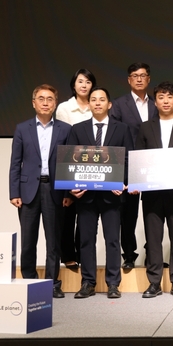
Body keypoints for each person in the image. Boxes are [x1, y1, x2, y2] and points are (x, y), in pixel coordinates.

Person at [67, 88, 134, 299]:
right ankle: (88, 282)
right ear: (89, 104)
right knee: (86, 240)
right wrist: (72, 187)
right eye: (93, 100)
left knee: (113, 240)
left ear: (109, 104)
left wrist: (122, 181)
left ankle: (113, 283)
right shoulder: (77, 129)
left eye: (102, 99)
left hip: (112, 195)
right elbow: (69, 160)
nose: (97, 103)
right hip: (85, 196)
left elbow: (128, 159)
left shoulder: (122, 129)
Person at [135, 82, 173, 299]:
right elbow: (139, 158)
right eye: (161, 97)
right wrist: (136, 182)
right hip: (152, 193)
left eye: (170, 97)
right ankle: (154, 282)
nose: (165, 101)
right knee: (153, 238)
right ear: (155, 102)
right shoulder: (145, 127)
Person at [9, 84, 71, 299]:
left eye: (50, 99)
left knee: (53, 242)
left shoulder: (65, 129)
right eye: (41, 99)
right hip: (28, 191)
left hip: (55, 190)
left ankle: (52, 284)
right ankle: (30, 282)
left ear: (55, 103)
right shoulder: (22, 128)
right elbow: (15, 163)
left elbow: (68, 165)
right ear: (33, 102)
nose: (45, 103)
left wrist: (68, 194)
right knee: (28, 242)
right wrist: (14, 192)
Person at [110, 62, 156, 269]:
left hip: (153, 166)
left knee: (153, 212)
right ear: (129, 80)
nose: (139, 79)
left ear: (149, 79)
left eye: (143, 75)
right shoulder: (119, 105)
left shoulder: (157, 104)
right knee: (128, 214)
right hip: (128, 166)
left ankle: (152, 254)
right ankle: (129, 255)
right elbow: (114, 136)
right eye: (135, 76)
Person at [56, 68, 97, 271]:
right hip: (71, 165)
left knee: (87, 215)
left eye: (88, 82)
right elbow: (63, 141)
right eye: (80, 81)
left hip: (95, 167)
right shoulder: (64, 108)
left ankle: (83, 255)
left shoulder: (96, 105)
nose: (84, 85)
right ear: (74, 84)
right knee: (68, 212)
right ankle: (68, 255)